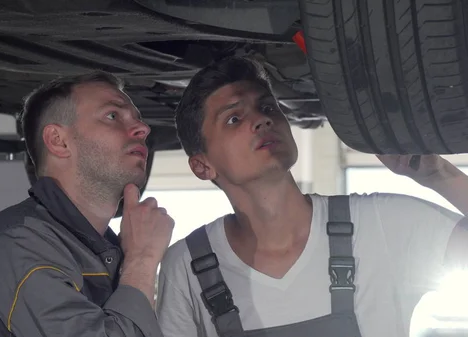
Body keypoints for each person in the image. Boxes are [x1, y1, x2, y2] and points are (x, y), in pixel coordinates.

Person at [155, 56, 468, 337]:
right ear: (202, 165)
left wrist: (438, 174)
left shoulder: (379, 224)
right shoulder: (189, 265)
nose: (262, 120)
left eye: (267, 108)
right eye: (234, 118)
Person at [0, 71, 174, 337]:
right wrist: (142, 261)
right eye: (113, 116)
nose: (143, 128)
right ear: (58, 141)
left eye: (138, 118)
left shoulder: (103, 248)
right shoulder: (19, 246)